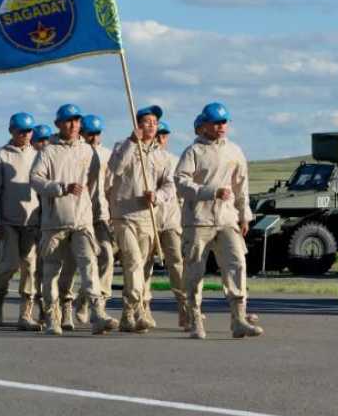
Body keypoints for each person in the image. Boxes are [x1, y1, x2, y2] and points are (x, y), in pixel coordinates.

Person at [175, 102, 261, 340]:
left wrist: (244, 215)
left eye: (224, 122)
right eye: (216, 122)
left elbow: (241, 186)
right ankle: (194, 320)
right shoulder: (193, 152)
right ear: (203, 126)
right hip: (198, 220)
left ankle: (239, 319)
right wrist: (209, 191)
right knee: (194, 271)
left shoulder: (235, 151)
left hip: (226, 219)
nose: (221, 126)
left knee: (237, 263)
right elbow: (181, 183)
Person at [30, 104, 118, 335]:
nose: (73, 125)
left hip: (82, 221)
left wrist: (101, 216)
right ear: (58, 124)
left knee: (89, 265)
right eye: (68, 121)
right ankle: (52, 317)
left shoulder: (89, 151)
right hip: (55, 222)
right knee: (52, 271)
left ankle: (97, 313)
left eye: (77, 121)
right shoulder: (48, 151)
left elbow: (97, 187)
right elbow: (35, 179)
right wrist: (60, 188)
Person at [109, 105, 175, 333]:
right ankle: (135, 308)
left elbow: (169, 185)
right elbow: (115, 169)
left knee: (142, 267)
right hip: (124, 215)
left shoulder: (162, 156)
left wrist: (157, 196)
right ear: (137, 124)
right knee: (133, 261)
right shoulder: (123, 146)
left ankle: (131, 312)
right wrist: (131, 142)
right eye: (147, 122)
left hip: (148, 217)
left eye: (155, 123)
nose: (151, 126)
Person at [0, 112, 41, 330]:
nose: (25, 135)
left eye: (28, 131)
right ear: (11, 131)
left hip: (32, 220)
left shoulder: (38, 155)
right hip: (7, 221)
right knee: (8, 265)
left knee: (30, 267)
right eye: (21, 131)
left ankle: (25, 314)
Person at [60, 114, 112, 328]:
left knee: (106, 257)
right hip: (78, 215)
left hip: (101, 216)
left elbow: (112, 184)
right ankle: (65, 305)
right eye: (89, 134)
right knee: (72, 264)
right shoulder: (76, 153)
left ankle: (93, 302)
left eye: (97, 134)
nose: (93, 138)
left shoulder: (106, 155)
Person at [151, 119, 188, 328]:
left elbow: (178, 191)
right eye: (158, 134)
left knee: (177, 265)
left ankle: (185, 309)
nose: (161, 139)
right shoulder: (142, 157)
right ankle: (142, 309)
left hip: (170, 220)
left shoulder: (174, 160)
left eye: (164, 135)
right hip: (147, 220)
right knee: (142, 266)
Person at [30, 124, 53, 323]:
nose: (44, 144)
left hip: (51, 221)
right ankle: (38, 308)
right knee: (34, 269)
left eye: (47, 140)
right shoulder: (30, 163)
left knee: (51, 268)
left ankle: (53, 308)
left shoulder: (52, 161)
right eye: (40, 140)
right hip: (31, 223)